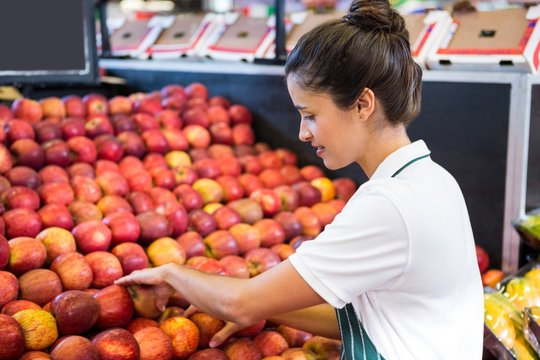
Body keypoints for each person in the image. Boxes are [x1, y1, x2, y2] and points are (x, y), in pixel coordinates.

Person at [115, 0, 484, 358]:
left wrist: (174, 275)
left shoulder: (389, 205)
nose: (303, 133)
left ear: (362, 104)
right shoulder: (432, 179)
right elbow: (373, 320)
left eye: (309, 115)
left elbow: (242, 304)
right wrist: (252, 302)